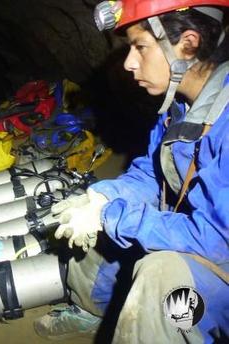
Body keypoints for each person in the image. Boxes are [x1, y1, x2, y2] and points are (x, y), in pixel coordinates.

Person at [34, 0, 229, 343]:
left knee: (162, 277)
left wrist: (113, 216)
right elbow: (152, 174)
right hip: (198, 233)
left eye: (140, 47)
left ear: (188, 43)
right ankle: (91, 311)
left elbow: (217, 240)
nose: (129, 63)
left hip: (220, 256)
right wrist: (101, 199)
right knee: (95, 212)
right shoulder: (178, 109)